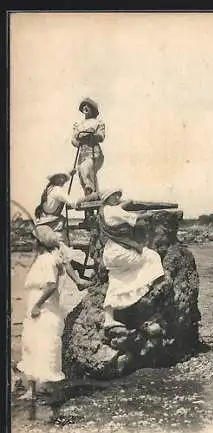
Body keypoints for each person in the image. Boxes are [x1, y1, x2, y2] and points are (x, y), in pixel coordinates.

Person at [99, 189, 165, 331]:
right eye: (114, 196)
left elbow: (123, 205)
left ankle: (108, 318)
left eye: (118, 195)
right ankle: (150, 287)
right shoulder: (112, 210)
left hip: (110, 252)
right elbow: (135, 218)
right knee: (152, 257)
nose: (117, 197)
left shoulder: (104, 210)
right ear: (107, 198)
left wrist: (125, 203)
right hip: (119, 251)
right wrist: (149, 214)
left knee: (116, 280)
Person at [17, 226, 69, 399]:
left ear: (40, 242)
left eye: (34, 239)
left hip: (45, 310)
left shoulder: (47, 259)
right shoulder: (42, 258)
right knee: (31, 346)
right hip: (36, 309)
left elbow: (51, 285)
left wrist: (37, 305)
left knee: (47, 347)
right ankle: (32, 390)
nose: (31, 242)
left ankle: (54, 391)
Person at [35, 172, 94, 285]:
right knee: (62, 253)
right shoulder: (57, 190)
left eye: (63, 178)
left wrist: (70, 173)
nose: (62, 180)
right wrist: (91, 197)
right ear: (54, 179)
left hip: (43, 225)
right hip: (49, 227)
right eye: (59, 177)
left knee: (59, 253)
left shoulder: (50, 189)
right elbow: (74, 203)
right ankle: (78, 281)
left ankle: (79, 270)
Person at [71, 98, 105, 195]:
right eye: (84, 106)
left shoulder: (98, 123)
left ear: (92, 109)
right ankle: (91, 197)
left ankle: (91, 191)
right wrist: (77, 140)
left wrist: (91, 135)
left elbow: (101, 136)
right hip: (82, 154)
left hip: (94, 152)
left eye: (88, 106)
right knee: (82, 175)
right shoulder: (78, 124)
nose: (85, 107)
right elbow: (74, 139)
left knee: (85, 168)